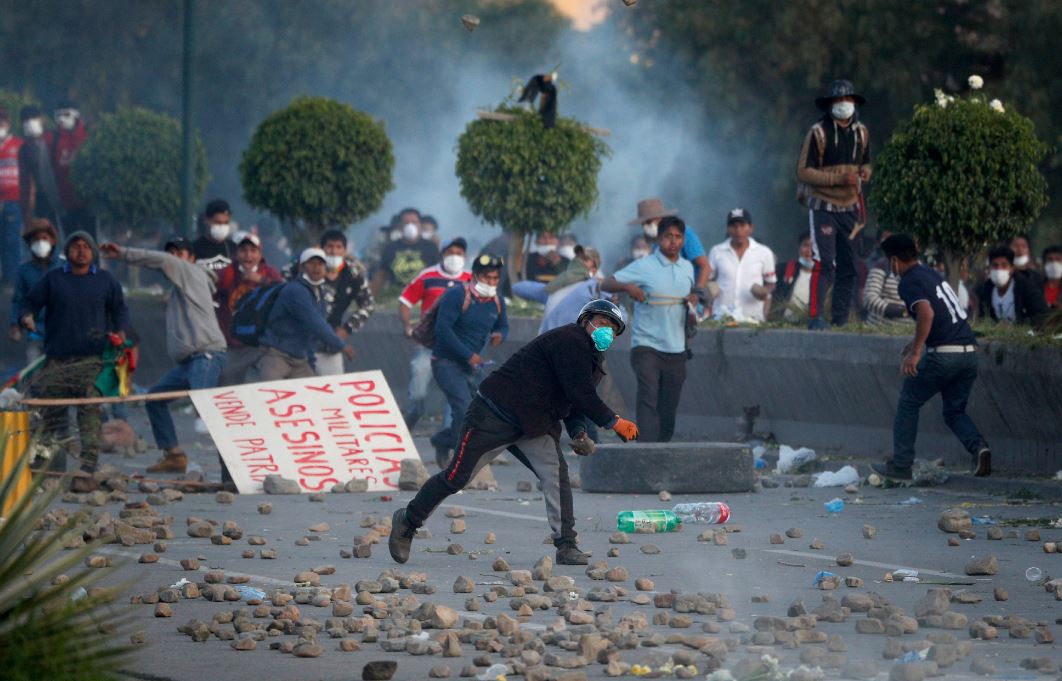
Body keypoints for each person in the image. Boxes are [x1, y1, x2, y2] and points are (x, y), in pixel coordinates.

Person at [389, 299, 639, 566]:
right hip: (494, 413)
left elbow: (574, 398)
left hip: (534, 423)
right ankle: (408, 520)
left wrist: (578, 432)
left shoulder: (593, 357)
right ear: (584, 320)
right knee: (456, 477)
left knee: (556, 477)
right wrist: (612, 421)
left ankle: (566, 545)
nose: (606, 331)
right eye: (602, 323)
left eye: (612, 329)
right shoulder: (570, 339)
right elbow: (581, 392)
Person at [100, 237, 227, 474]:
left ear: (191, 258)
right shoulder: (180, 288)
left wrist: (123, 253)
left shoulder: (191, 272)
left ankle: (231, 469)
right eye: (172, 252)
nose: (175, 256)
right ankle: (174, 455)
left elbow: (163, 261)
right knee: (155, 398)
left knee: (207, 408)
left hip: (206, 355)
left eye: (180, 252)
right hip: (190, 360)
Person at [870, 235, 990, 481]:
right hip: (968, 353)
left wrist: (915, 353)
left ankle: (901, 465)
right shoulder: (931, 274)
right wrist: (914, 343)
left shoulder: (908, 281)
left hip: (944, 356)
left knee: (908, 401)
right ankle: (979, 448)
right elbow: (944, 315)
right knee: (954, 411)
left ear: (894, 260)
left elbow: (927, 313)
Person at [20, 231, 127, 490]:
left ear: (93, 252)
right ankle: (43, 467)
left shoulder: (105, 280)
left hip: (92, 363)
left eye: (85, 246)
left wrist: (121, 333)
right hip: (57, 362)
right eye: (76, 246)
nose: (81, 250)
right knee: (49, 414)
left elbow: (120, 310)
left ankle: (87, 469)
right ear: (67, 251)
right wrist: (27, 316)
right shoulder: (54, 279)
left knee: (89, 414)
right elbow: (29, 303)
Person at [603, 216, 695, 442]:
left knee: (669, 405)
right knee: (648, 396)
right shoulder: (644, 265)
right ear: (659, 238)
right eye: (668, 237)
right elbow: (607, 283)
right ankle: (646, 449)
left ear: (683, 240)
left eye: (678, 237)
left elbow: (693, 302)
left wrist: (694, 300)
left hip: (677, 347)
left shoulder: (687, 268)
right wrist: (628, 287)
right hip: (647, 345)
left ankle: (661, 447)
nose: (673, 242)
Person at [796, 79, 872, 329]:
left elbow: (866, 162)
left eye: (847, 100)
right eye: (838, 101)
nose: (843, 105)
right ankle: (816, 317)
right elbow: (803, 171)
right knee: (824, 262)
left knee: (850, 265)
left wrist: (865, 172)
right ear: (830, 105)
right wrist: (838, 178)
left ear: (854, 103)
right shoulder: (817, 132)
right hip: (823, 207)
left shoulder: (862, 132)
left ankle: (840, 318)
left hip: (851, 206)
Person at [429, 254, 509, 468]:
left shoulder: (497, 300)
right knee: (462, 407)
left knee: (478, 411)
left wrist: (500, 335)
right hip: (446, 362)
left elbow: (503, 325)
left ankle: (443, 440)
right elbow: (442, 330)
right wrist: (467, 355)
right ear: (475, 276)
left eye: (495, 278)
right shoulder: (456, 295)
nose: (491, 283)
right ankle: (460, 459)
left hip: (473, 365)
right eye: (486, 278)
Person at [398, 237, 472, 429]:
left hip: (457, 347)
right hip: (428, 345)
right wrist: (407, 325)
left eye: (459, 253)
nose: (454, 257)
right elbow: (405, 301)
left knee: (453, 394)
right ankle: (413, 415)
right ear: (442, 254)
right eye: (450, 252)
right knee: (418, 390)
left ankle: (449, 438)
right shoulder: (428, 276)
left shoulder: (471, 279)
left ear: (465, 256)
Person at [255, 248, 352, 380]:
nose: (317, 267)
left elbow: (311, 334)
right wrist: (342, 345)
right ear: (301, 267)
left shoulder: (319, 292)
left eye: (320, 264)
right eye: (312, 263)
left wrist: (310, 362)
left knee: (312, 397)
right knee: (272, 395)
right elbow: (316, 324)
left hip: (299, 360)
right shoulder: (296, 290)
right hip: (276, 355)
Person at [215, 231, 284, 385]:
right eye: (244, 251)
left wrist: (262, 280)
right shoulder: (227, 273)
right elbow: (209, 291)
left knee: (269, 382)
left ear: (260, 254)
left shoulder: (268, 271)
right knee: (228, 384)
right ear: (236, 254)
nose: (248, 255)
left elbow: (285, 292)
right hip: (234, 344)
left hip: (263, 345)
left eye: (253, 251)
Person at [316, 229, 375, 376]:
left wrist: (347, 329)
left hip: (330, 346)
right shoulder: (307, 267)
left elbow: (368, 304)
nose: (334, 252)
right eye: (329, 246)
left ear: (345, 250)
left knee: (334, 393)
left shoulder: (353, 273)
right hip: (299, 346)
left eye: (338, 247)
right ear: (321, 249)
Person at [707, 208, 777, 323]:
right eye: (733, 226)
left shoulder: (764, 253)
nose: (738, 230)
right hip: (722, 317)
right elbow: (708, 278)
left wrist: (764, 291)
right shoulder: (717, 251)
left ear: (751, 228)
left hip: (752, 317)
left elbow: (771, 283)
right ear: (728, 229)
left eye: (742, 225)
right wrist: (710, 287)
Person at [628, 198, 711, 291]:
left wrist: (698, 292)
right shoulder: (656, 244)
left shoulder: (684, 233)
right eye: (643, 224)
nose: (645, 227)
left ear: (660, 219)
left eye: (648, 222)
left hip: (691, 297)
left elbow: (705, 266)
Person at [9, 219, 61, 360]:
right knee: (35, 376)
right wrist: (15, 325)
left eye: (44, 238)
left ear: (53, 241)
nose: (40, 242)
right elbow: (18, 300)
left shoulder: (64, 267)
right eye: (36, 239)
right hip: (35, 332)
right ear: (30, 244)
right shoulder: (24, 270)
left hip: (62, 333)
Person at [49, 100, 94, 239]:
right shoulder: (53, 138)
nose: (62, 119)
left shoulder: (88, 134)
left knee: (91, 241)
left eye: (67, 114)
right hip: (65, 204)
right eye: (59, 115)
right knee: (71, 242)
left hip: (88, 203)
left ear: (76, 115)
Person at [371, 208, 439, 294]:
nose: (410, 226)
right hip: (396, 296)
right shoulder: (391, 247)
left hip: (422, 296)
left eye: (414, 222)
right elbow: (381, 274)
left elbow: (438, 273)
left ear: (420, 225)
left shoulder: (430, 247)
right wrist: (370, 295)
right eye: (406, 223)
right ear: (400, 226)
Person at [976, 245, 1048, 326]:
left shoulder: (1025, 287)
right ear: (989, 269)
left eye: (1004, 265)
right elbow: (982, 319)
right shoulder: (986, 290)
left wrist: (1018, 324)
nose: (999, 269)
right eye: (995, 265)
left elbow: (1042, 315)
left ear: (1012, 268)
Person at [18, 106, 62, 231]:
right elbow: (26, 179)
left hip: (61, 195)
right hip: (41, 200)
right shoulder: (25, 148)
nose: (30, 123)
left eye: (33, 118)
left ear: (41, 119)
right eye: (26, 120)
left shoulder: (53, 138)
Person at [0, 107, 25, 285]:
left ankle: (12, 281)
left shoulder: (18, 144)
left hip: (14, 201)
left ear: (8, 123)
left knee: (12, 242)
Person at [773, 233, 815, 317]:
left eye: (814, 247)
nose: (810, 251)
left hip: (811, 326)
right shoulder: (782, 270)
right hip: (782, 324)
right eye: (806, 245)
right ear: (799, 248)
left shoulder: (827, 276)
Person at [862, 257, 911, 326]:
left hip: (912, 332)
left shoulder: (923, 269)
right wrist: (900, 312)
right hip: (879, 329)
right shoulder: (883, 266)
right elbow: (869, 298)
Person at [192, 199, 237, 273]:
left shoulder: (234, 249)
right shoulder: (194, 248)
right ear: (206, 220)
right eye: (218, 222)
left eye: (225, 223)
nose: (222, 227)